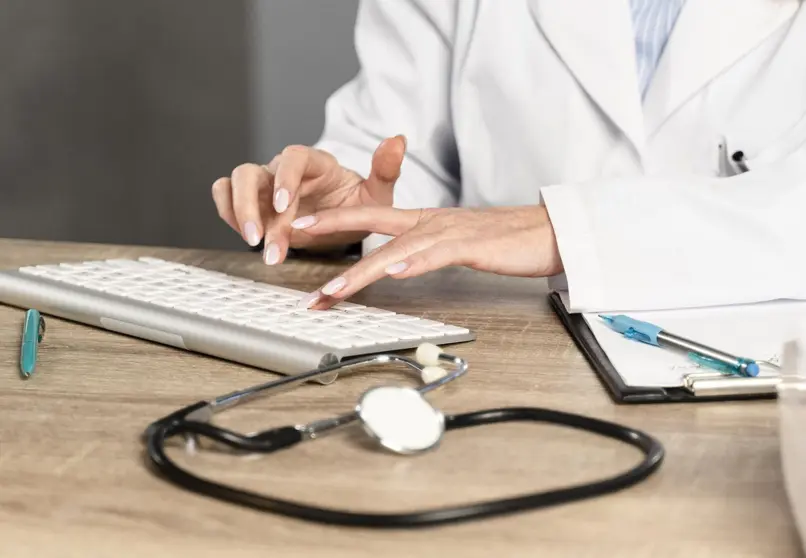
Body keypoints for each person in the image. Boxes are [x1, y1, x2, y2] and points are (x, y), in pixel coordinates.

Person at [212, 0, 806, 313]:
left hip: (759, 377)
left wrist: (566, 229)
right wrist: (351, 210)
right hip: (501, 347)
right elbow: (403, 143)